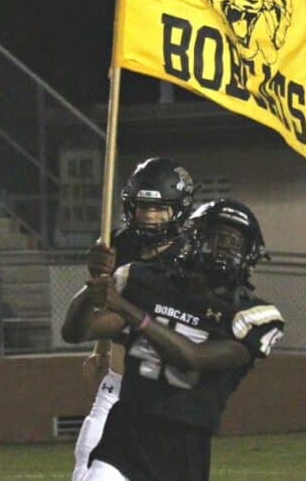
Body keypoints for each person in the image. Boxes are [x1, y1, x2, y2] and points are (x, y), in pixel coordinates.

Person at [61, 199, 284, 481]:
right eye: (217, 237)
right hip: (127, 436)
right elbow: (75, 332)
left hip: (184, 450)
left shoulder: (249, 316)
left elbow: (192, 357)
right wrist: (92, 285)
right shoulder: (146, 282)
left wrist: (130, 311)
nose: (225, 248)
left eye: (234, 242)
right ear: (193, 239)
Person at [72, 158, 196, 481]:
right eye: (143, 207)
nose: (150, 217)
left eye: (159, 209)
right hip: (117, 391)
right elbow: (105, 303)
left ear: (177, 211)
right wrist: (100, 349)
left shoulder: (190, 259)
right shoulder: (119, 245)